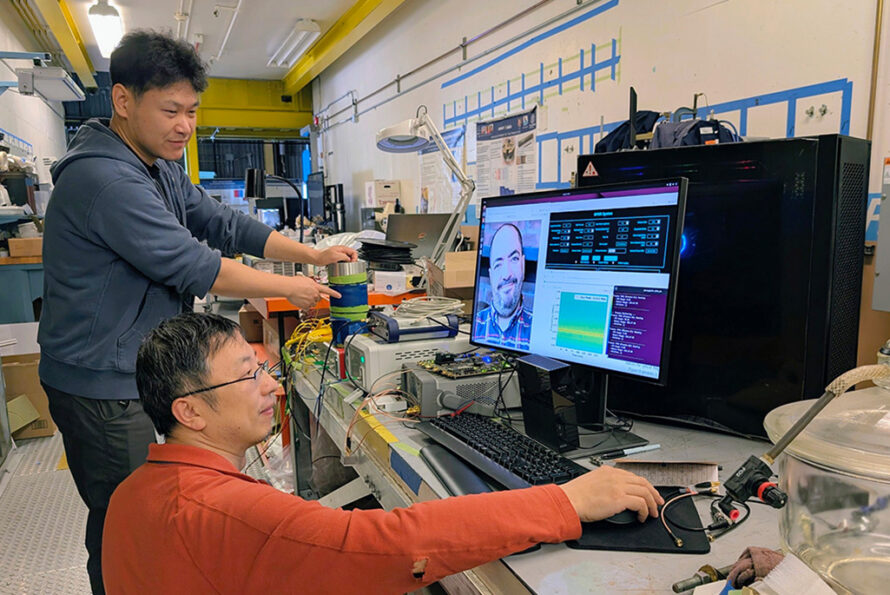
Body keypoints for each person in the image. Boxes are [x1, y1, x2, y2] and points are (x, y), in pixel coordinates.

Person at [37, 31, 356, 594]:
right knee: (124, 524)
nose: (184, 125)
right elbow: (196, 264)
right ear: (123, 101)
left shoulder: (154, 165)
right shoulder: (105, 177)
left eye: (191, 111)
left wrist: (311, 252)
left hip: (132, 368)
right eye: (170, 110)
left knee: (147, 512)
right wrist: (298, 291)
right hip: (102, 384)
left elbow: (223, 223)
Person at [103, 312, 663, 594]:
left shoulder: (129, 497)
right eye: (249, 377)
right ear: (190, 412)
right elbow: (390, 546)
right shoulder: (227, 512)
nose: (273, 387)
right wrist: (564, 501)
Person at [474, 223, 533, 349]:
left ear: (523, 264)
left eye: (514, 259)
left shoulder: (538, 330)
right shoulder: (476, 325)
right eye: (498, 265)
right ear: (491, 275)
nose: (506, 274)